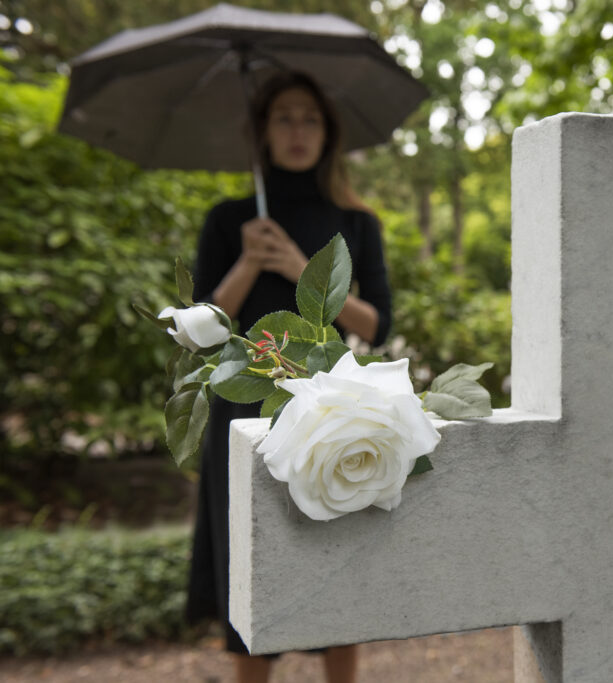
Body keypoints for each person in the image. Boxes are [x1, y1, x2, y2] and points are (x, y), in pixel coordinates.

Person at [185, 71, 392, 683]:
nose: (298, 130)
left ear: (327, 134)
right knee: (249, 564)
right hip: (243, 407)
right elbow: (204, 329)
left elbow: (377, 324)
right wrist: (251, 260)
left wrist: (304, 269)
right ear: (262, 132)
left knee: (337, 558)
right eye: (284, 117)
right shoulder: (230, 220)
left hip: (329, 406)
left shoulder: (356, 223)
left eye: (310, 118)